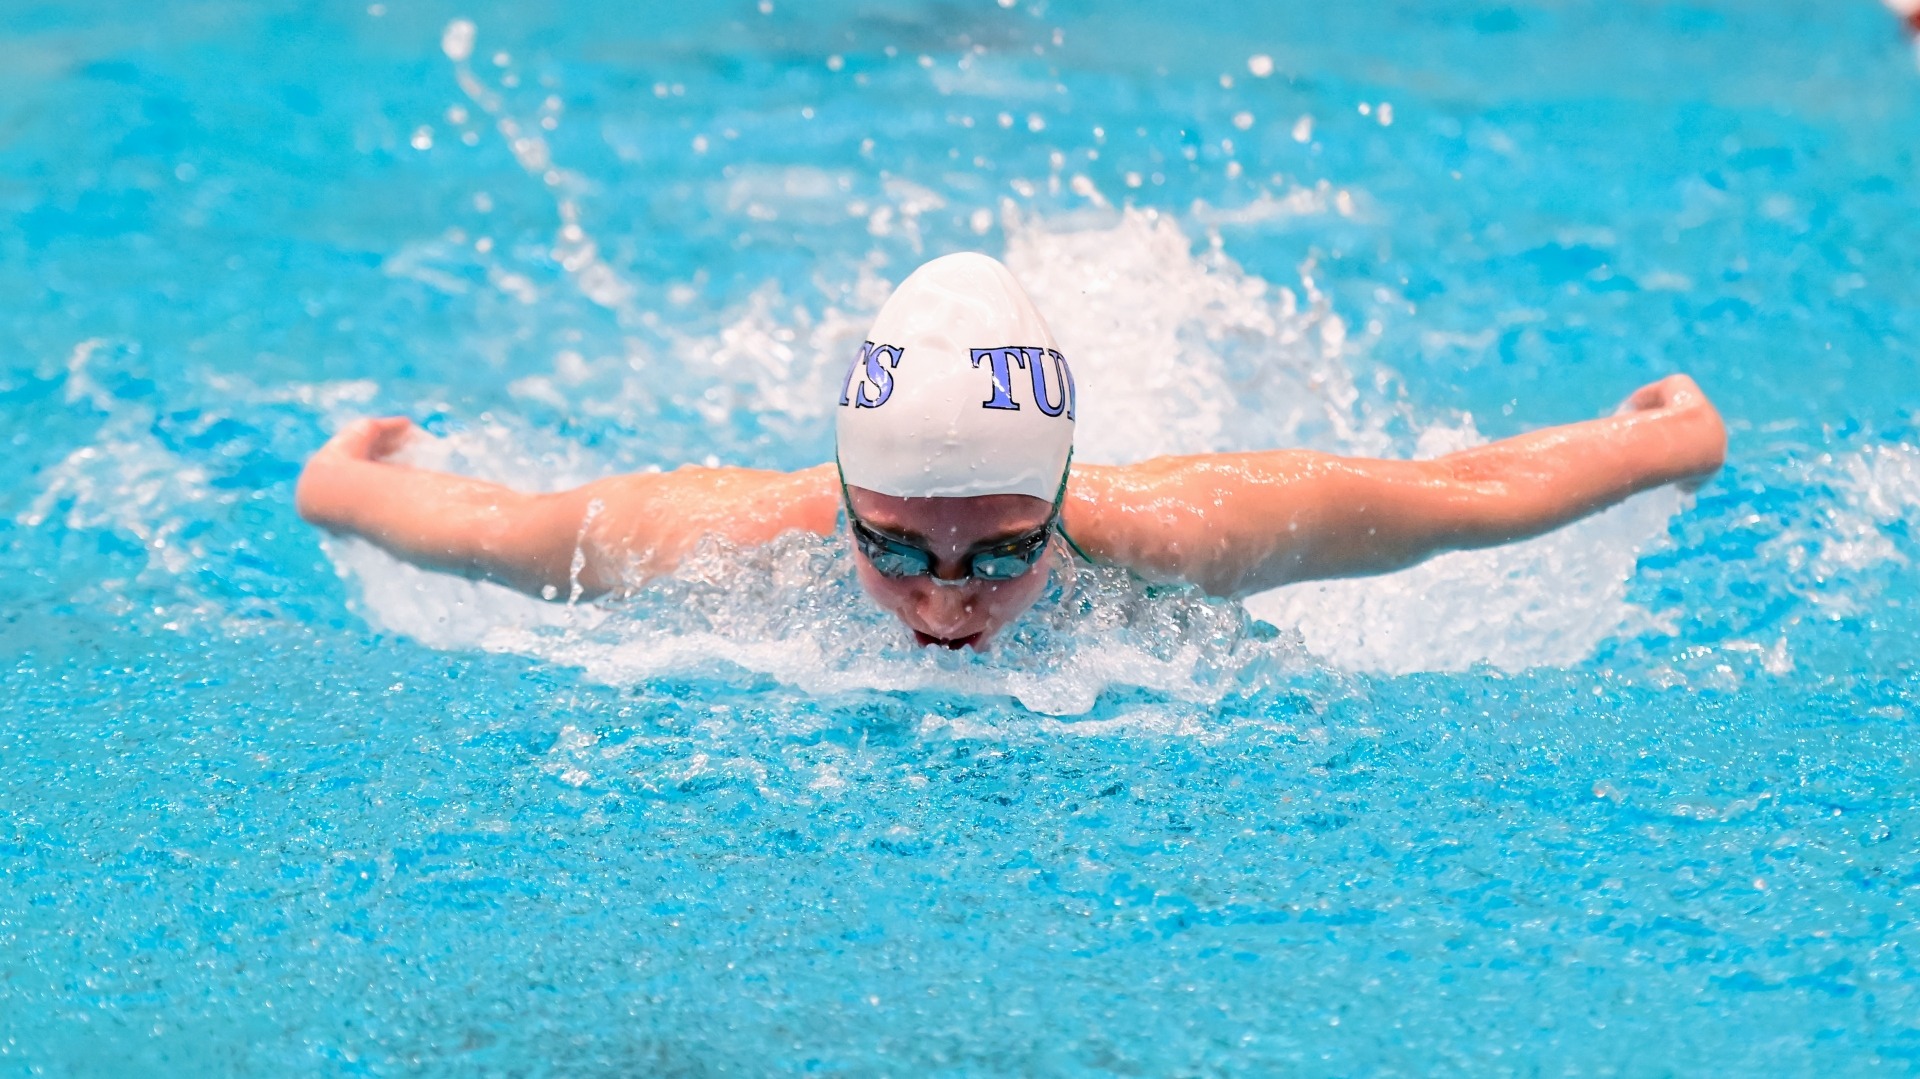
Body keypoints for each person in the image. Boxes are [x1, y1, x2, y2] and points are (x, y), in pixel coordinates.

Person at [296, 253, 1727, 651]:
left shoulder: (1175, 534)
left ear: (1059, 504)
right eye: (897, 550)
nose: (943, 604)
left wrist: (1657, 446)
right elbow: (486, 531)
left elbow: (1449, 501)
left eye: (1002, 553)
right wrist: (344, 479)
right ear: (845, 500)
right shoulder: (722, 533)